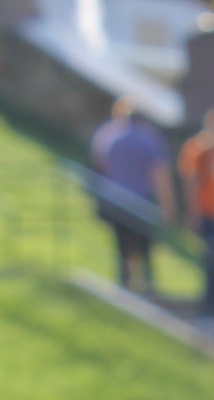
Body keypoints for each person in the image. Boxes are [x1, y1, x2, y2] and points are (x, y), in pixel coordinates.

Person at [90, 97, 171, 294]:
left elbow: (100, 166)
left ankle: (123, 286)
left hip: (115, 200)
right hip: (142, 201)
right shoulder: (149, 139)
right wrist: (168, 206)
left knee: (122, 247)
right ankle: (148, 288)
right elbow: (160, 174)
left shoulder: (108, 136)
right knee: (145, 249)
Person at [177, 107, 214, 314]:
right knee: (213, 261)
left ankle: (213, 306)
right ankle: (208, 308)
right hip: (204, 212)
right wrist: (193, 213)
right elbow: (192, 181)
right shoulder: (199, 148)